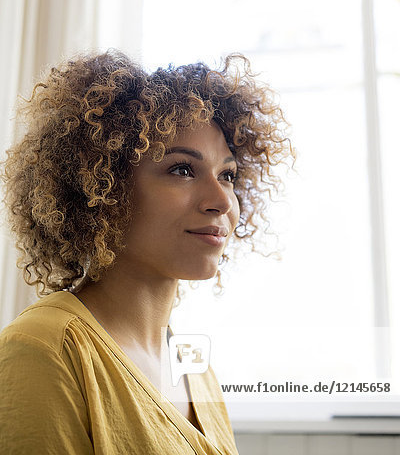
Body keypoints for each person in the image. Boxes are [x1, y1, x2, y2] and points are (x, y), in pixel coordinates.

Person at [0, 50, 294, 454]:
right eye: (182, 170)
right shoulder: (46, 347)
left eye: (228, 175)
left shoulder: (194, 367)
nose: (221, 201)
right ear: (102, 188)